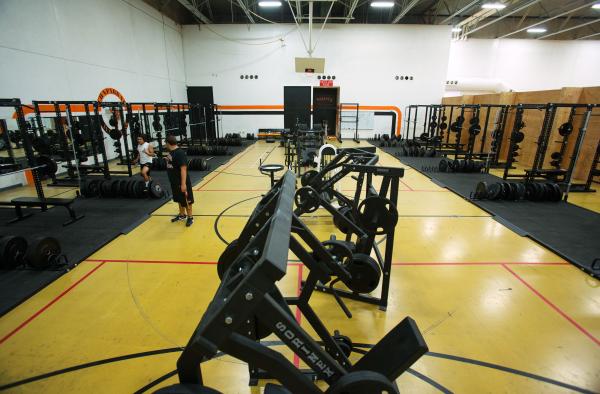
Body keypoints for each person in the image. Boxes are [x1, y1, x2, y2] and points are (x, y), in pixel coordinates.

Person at [165, 135, 194, 227]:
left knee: (186, 200)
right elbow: (172, 164)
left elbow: (183, 169)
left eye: (165, 143)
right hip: (174, 181)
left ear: (168, 143)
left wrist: (183, 184)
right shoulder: (171, 153)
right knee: (178, 199)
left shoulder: (179, 153)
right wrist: (167, 160)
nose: (165, 145)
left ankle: (190, 217)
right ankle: (182, 215)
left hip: (181, 182)